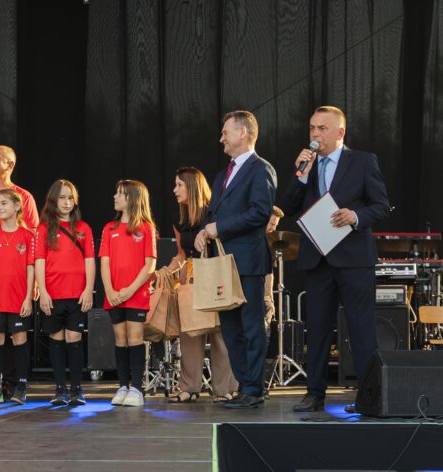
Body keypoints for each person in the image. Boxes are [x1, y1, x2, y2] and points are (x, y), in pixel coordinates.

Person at [277, 106, 390, 413]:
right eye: (312, 128)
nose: (315, 134)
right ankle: (314, 393)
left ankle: (369, 397)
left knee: (361, 330)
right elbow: (287, 206)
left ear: (340, 132)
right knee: (317, 329)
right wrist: (301, 177)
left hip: (354, 258)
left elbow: (381, 205)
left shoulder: (363, 161)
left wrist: (356, 216)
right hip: (318, 258)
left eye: (322, 128)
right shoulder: (307, 165)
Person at [195, 110, 277, 410]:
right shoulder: (222, 175)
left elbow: (260, 212)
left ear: (242, 133)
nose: (221, 139)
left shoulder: (261, 169)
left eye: (225, 132)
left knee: (251, 326)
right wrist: (204, 230)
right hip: (222, 263)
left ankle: (254, 388)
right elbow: (214, 213)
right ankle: (245, 386)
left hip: (248, 262)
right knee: (230, 329)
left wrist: (219, 227)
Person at [165, 167, 239, 404]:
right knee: (190, 332)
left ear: (192, 186)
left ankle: (224, 388)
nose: (175, 190)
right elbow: (181, 253)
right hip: (191, 278)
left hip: (215, 275)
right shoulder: (179, 219)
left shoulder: (213, 212)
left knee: (220, 334)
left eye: (179, 185)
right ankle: (188, 387)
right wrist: (166, 271)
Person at [35, 180, 95, 406]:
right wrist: (43, 291)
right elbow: (39, 262)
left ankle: (76, 389)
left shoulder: (84, 228)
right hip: (53, 295)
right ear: (53, 200)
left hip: (77, 294)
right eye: (62, 197)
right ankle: (60, 389)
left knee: (74, 337)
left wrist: (88, 290)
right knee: (56, 338)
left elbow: (90, 261)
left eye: (71, 198)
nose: (67, 202)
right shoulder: (43, 229)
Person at [99, 180, 157, 408]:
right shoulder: (109, 228)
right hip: (114, 295)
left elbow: (149, 264)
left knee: (134, 338)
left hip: (136, 294)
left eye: (121, 194)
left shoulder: (146, 228)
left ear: (133, 198)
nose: (115, 197)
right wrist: (110, 291)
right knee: (120, 339)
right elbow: (104, 262)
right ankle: (123, 385)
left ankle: (137, 388)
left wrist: (130, 290)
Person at [0, 188, 35, 405]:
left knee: (19, 339)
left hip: (19, 300)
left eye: (4, 203)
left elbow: (31, 268)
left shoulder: (27, 236)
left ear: (17, 206)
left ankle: (21, 387)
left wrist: (28, 298)